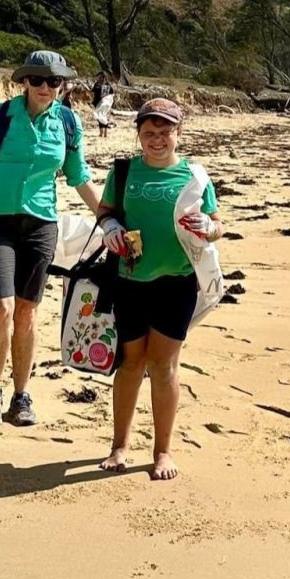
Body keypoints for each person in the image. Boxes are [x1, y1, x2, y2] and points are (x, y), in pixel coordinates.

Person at [0, 50, 100, 428]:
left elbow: (78, 175)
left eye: (55, 81)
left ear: (63, 85)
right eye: (38, 80)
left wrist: (110, 218)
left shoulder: (68, 123)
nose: (46, 88)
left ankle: (21, 396)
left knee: (27, 310)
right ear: (24, 82)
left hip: (40, 226)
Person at [96, 98, 223, 481]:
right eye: (149, 133)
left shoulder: (195, 176)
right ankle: (119, 446)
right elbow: (104, 212)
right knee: (131, 363)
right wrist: (110, 229)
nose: (157, 140)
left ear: (178, 134)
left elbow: (218, 224)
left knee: (164, 365)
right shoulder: (122, 172)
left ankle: (162, 450)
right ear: (138, 135)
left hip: (177, 282)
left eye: (165, 132)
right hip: (130, 281)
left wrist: (209, 226)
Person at [91, 72, 115, 138]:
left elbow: (111, 94)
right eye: (99, 77)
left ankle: (105, 132)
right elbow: (93, 91)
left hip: (104, 103)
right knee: (99, 117)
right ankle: (101, 132)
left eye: (101, 77)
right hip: (97, 102)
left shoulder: (107, 85)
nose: (100, 78)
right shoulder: (97, 84)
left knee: (102, 116)